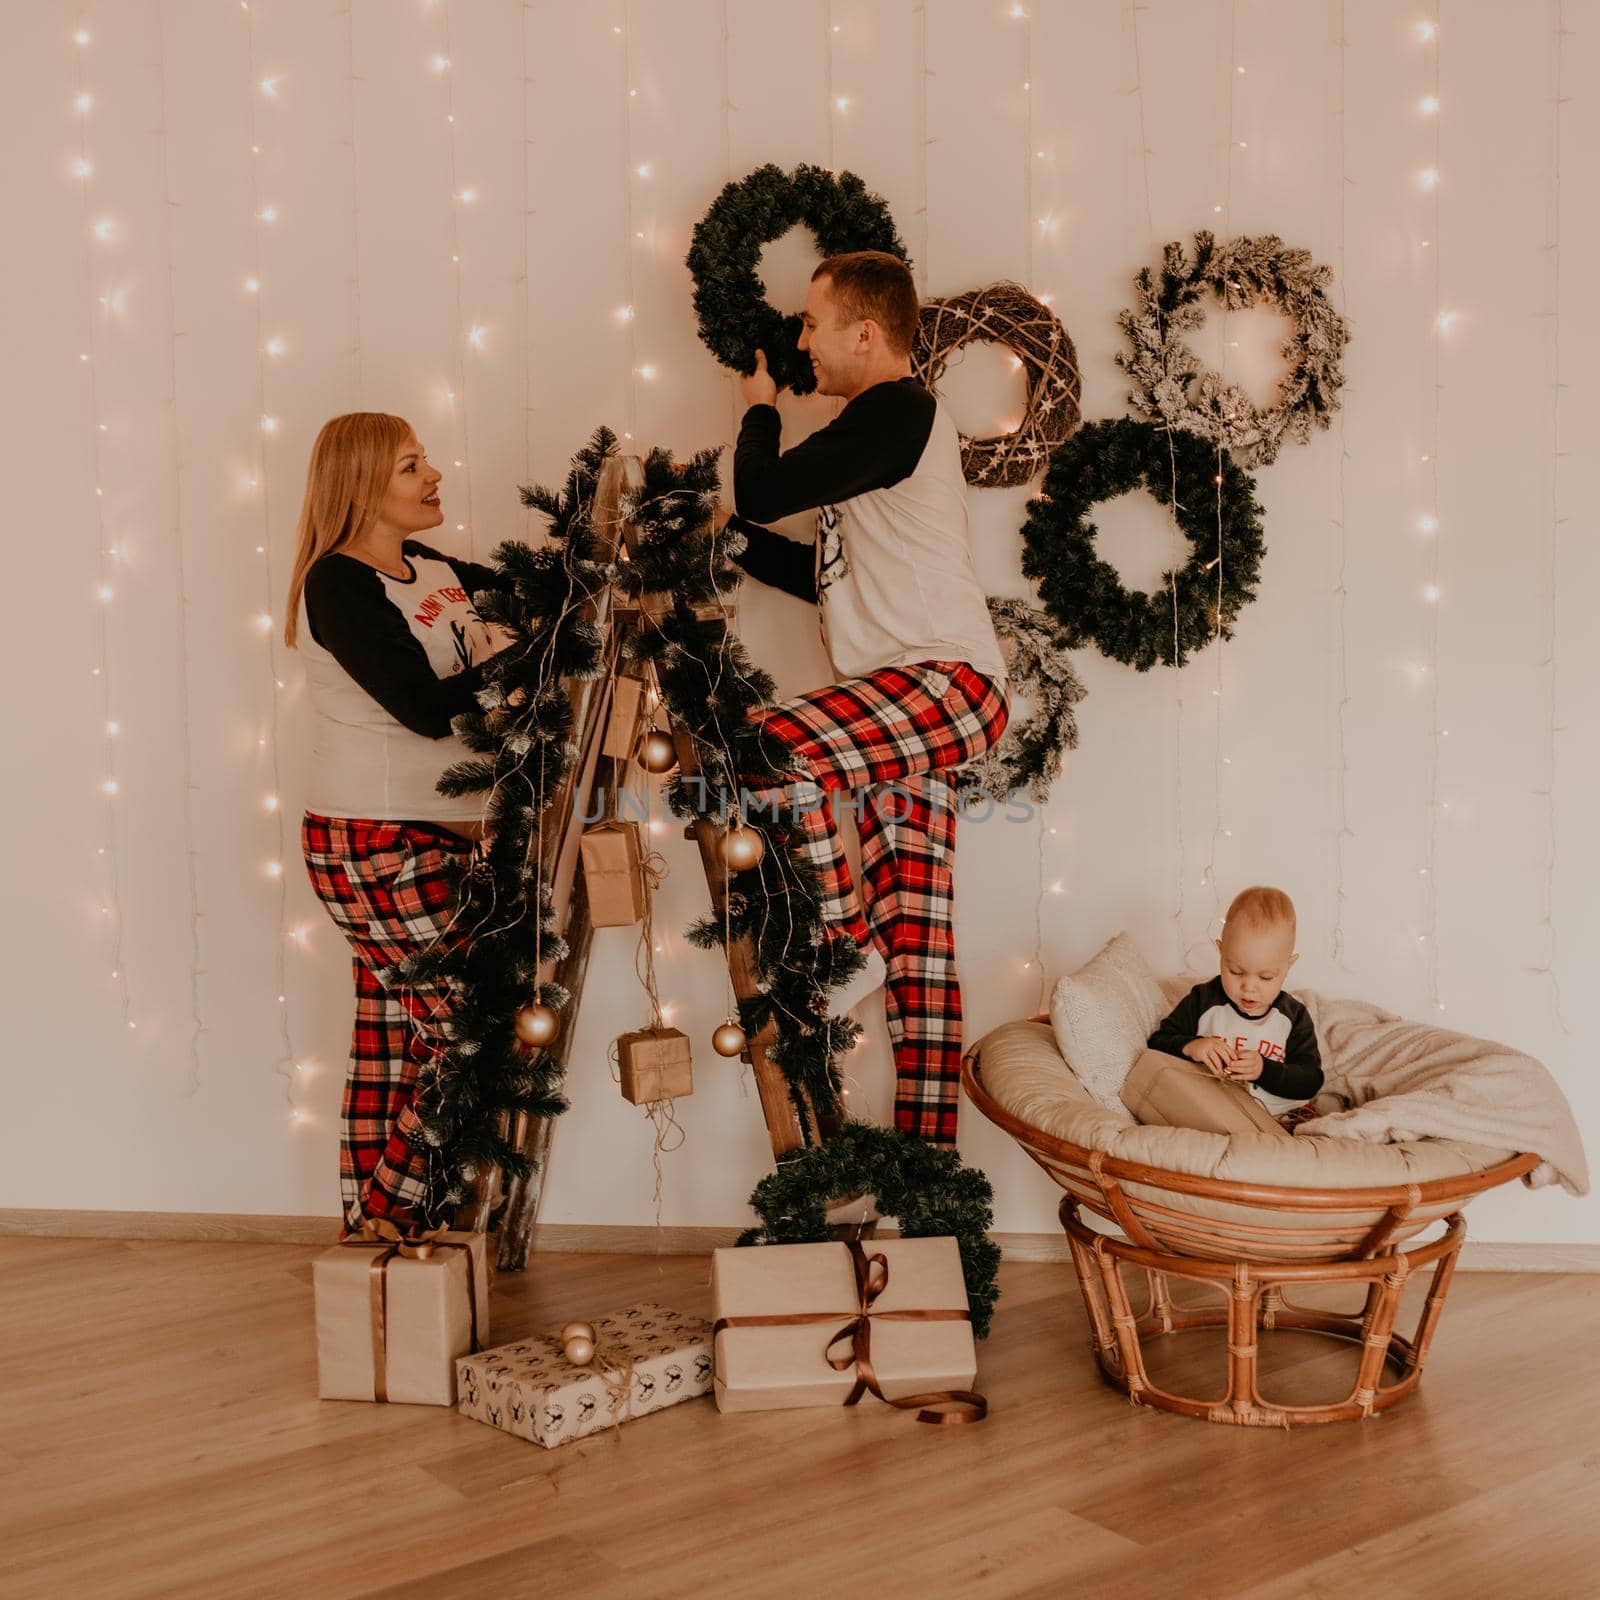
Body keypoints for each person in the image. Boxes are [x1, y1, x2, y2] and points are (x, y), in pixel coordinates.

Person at [716, 250, 1010, 1146]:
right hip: (912, 694)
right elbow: (823, 572)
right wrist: (724, 542)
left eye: (810, 322)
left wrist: (759, 408)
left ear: (866, 332)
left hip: (944, 685)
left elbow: (762, 487)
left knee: (769, 746)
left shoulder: (898, 409)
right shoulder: (881, 437)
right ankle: (932, 1190)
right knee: (919, 945)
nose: (802, 340)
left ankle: (841, 949)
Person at [285, 412, 510, 1234]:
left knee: (395, 1041)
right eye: (412, 466)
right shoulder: (339, 583)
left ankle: (380, 1254)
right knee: (471, 1033)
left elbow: (536, 593)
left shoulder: (432, 567)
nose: (434, 476)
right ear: (362, 487)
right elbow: (421, 709)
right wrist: (503, 667)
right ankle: (386, 1219)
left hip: (446, 836)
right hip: (372, 840)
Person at [1133, 886, 1323, 1133]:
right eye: (1236, 971)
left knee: (1309, 1131)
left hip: (1281, 1118)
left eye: (1266, 977)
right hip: (1216, 1113)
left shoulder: (1293, 1016)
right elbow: (1157, 1044)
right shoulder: (1203, 1000)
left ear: (1288, 966)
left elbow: (1310, 1080)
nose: (1249, 987)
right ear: (1221, 952)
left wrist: (1265, 1070)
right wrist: (1192, 1046)